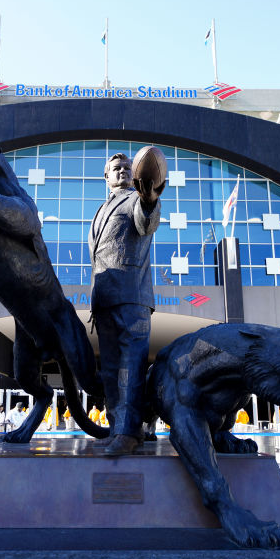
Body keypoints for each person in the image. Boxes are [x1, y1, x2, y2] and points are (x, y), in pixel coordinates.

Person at [88, 151, 164, 455]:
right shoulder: (100, 209)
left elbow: (147, 221)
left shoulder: (136, 198)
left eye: (127, 168)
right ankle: (117, 425)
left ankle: (130, 431)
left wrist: (149, 199)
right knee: (110, 370)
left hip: (132, 297)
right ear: (106, 177)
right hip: (104, 300)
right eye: (116, 168)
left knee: (130, 366)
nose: (122, 171)